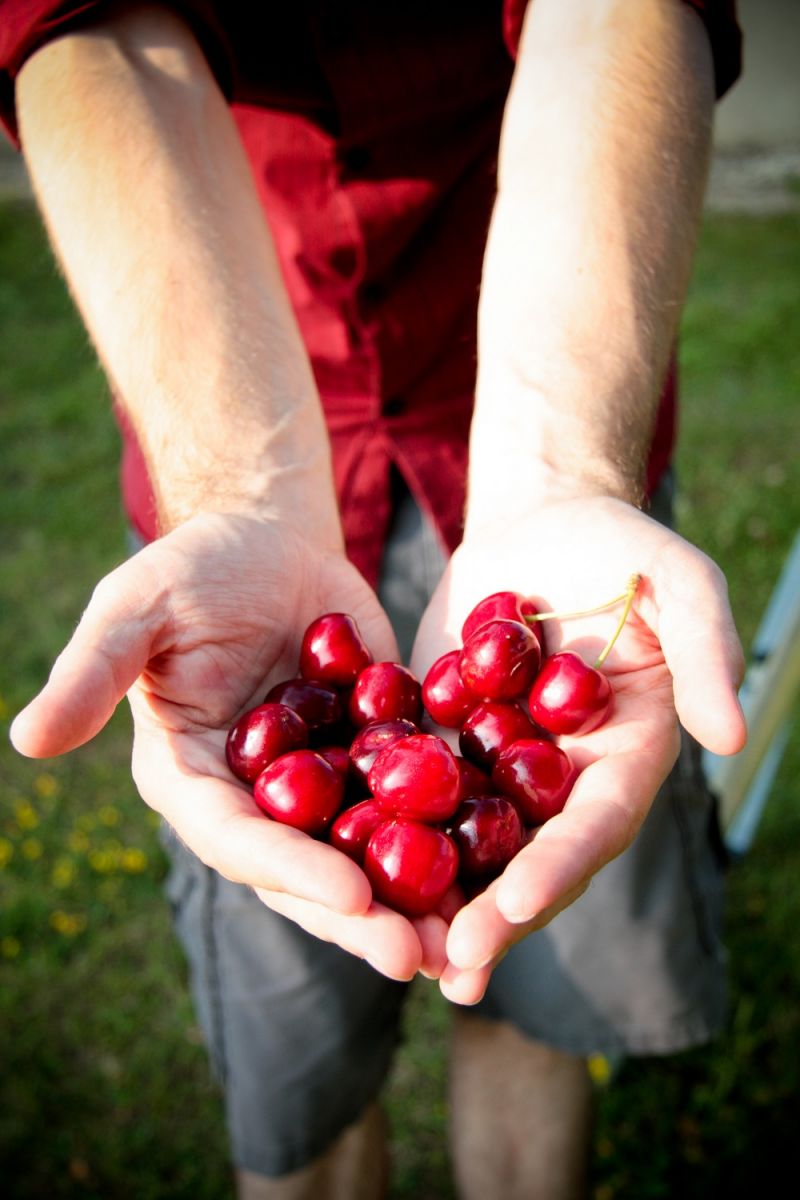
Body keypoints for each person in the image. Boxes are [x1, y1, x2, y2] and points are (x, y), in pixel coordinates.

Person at [3, 2, 747, 1197]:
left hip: (551, 425)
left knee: (529, 976)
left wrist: (562, 467)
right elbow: (91, 31)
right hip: (243, 446)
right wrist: (236, 485)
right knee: (300, 1069)